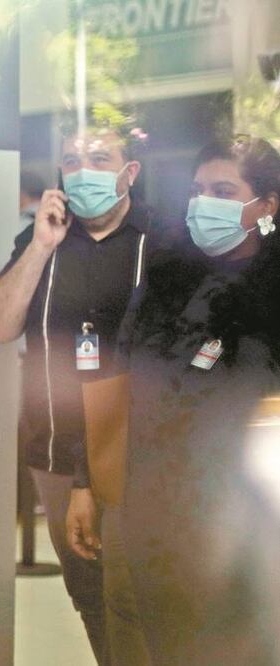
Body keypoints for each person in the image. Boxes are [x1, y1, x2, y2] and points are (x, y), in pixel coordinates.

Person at [69, 135, 280, 665]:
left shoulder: (270, 290)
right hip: (149, 498)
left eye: (223, 191)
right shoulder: (166, 276)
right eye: (197, 190)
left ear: (267, 206)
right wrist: (86, 480)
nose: (204, 202)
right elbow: (120, 376)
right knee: (148, 630)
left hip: (240, 515)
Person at [0, 122, 150, 665]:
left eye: (100, 159)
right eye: (72, 161)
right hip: (54, 448)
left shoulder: (159, 243)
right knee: (89, 596)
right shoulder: (43, 241)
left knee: (136, 601)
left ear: (129, 172)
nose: (83, 171)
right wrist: (39, 246)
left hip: (138, 455)